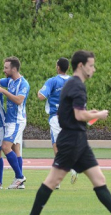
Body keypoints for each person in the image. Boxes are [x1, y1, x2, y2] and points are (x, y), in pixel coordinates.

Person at [22, 50, 111, 215]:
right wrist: (99, 115)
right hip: (71, 140)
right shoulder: (77, 85)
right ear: (81, 66)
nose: (94, 69)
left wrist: (91, 113)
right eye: (91, 65)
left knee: (99, 179)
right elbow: (80, 115)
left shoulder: (73, 85)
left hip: (79, 140)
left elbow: (74, 113)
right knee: (52, 180)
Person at [0, 56, 30, 189]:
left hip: (17, 121)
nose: (4, 70)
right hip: (10, 120)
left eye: (6, 68)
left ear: (14, 69)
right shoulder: (10, 81)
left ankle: (19, 176)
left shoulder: (23, 83)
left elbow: (19, 100)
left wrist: (3, 91)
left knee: (5, 147)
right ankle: (20, 183)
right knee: (15, 149)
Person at [38, 57, 78, 189]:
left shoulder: (53, 81)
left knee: (57, 148)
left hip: (57, 118)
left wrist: (40, 92)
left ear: (58, 67)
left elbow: (41, 96)